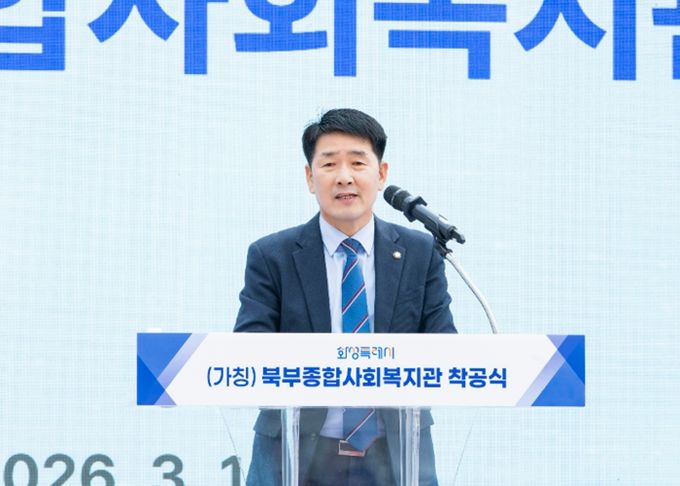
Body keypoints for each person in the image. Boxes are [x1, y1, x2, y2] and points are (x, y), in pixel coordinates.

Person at [234, 108, 456, 485]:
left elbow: (444, 349)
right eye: (329, 164)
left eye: (357, 162)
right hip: (294, 452)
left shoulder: (420, 254)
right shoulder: (272, 256)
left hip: (396, 454)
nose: (344, 177)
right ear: (310, 177)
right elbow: (248, 351)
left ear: (381, 174)